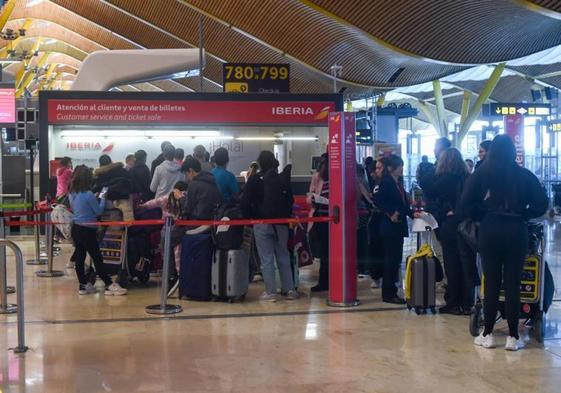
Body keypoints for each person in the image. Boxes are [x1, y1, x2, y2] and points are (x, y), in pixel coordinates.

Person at [460, 135, 548, 351]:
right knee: (512, 284)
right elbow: (542, 203)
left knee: (490, 282)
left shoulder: (482, 174)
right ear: (512, 152)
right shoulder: (523, 175)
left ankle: (488, 333)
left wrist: (483, 214)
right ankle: (513, 337)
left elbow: (465, 204)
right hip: (516, 229)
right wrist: (525, 214)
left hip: (490, 228)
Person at [241, 150, 299, 302]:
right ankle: (290, 290)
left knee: (266, 259)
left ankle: (271, 292)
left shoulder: (254, 179)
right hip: (282, 224)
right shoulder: (282, 178)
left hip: (262, 223)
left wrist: (249, 217)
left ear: (260, 163)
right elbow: (290, 201)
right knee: (283, 256)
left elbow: (245, 202)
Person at [424, 148, 475, 315]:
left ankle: (452, 302)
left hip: (450, 225)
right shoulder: (468, 177)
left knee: (452, 264)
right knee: (466, 263)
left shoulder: (445, 179)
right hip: (467, 225)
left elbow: (427, 187)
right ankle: (467, 302)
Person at [69, 166, 127, 296]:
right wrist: (102, 198)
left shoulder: (72, 193)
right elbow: (99, 211)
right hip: (88, 229)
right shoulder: (88, 194)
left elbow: (75, 208)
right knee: (97, 257)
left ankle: (83, 285)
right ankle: (109, 284)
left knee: (80, 257)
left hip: (76, 227)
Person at [373, 154, 420, 304]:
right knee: (391, 260)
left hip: (397, 226)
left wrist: (413, 214)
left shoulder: (397, 183)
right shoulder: (386, 182)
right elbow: (379, 200)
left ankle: (391, 290)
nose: (402, 169)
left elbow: (403, 205)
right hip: (390, 227)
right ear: (391, 168)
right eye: (399, 166)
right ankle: (388, 293)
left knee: (395, 259)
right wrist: (391, 212)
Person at [139, 181, 188, 274]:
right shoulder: (185, 200)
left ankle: (168, 274)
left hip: (166, 229)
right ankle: (179, 273)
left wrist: (141, 206)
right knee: (178, 253)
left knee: (165, 254)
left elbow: (150, 204)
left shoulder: (165, 199)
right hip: (180, 229)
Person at [308, 157, 329, 292]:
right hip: (320, 219)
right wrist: (313, 199)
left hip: (332, 220)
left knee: (329, 253)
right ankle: (323, 281)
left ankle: (328, 280)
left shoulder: (337, 180)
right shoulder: (318, 178)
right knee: (324, 253)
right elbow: (311, 194)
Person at [93, 155, 134, 221]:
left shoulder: (100, 174)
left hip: (107, 200)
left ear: (100, 164)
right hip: (124, 198)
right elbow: (130, 185)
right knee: (128, 221)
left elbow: (100, 190)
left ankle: (101, 227)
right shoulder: (122, 170)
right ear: (111, 161)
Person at [369, 158, 386, 288]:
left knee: (383, 249)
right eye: (376, 168)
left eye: (380, 168)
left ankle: (383, 276)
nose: (377, 171)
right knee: (375, 249)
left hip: (383, 219)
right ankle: (376, 276)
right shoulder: (377, 183)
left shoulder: (386, 183)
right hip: (376, 220)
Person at [356, 164, 374, 277]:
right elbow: (368, 196)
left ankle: (361, 266)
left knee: (360, 240)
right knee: (362, 240)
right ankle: (363, 266)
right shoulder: (362, 180)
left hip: (359, 214)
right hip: (363, 213)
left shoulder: (357, 180)